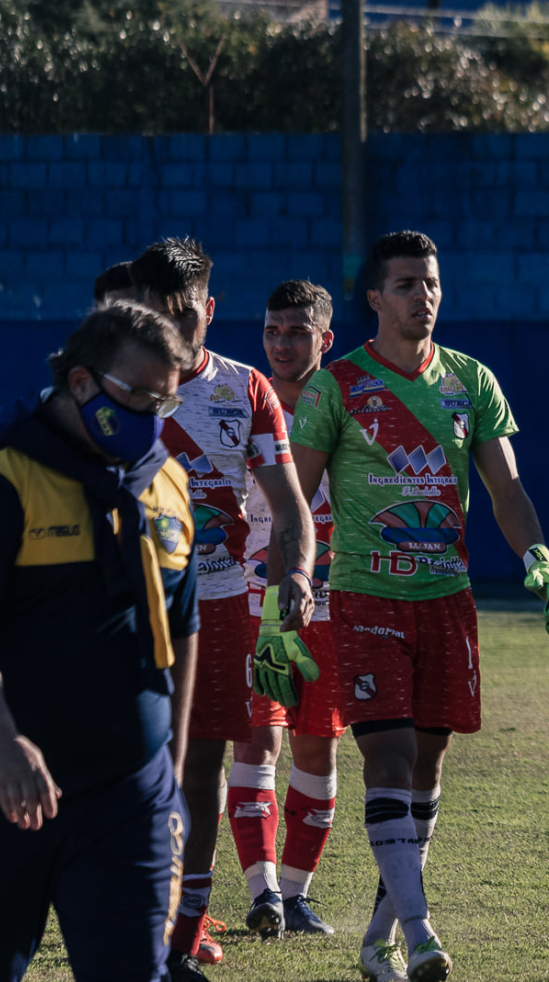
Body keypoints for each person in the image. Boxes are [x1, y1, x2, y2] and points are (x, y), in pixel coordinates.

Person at [288, 230, 549, 982]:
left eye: (433, 283)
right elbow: (296, 497)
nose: (426, 297)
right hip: (365, 597)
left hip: (447, 599)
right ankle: (420, 935)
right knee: (385, 756)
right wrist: (291, 578)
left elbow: (506, 490)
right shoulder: (337, 385)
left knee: (426, 766)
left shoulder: (471, 381)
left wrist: (538, 558)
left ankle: (378, 935)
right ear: (376, 299)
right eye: (409, 284)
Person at [0, 303, 196, 982]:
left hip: (127, 798)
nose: (152, 417)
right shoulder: (7, 474)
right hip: (5, 792)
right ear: (81, 382)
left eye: (164, 401)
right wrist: (4, 740)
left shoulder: (165, 482)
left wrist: (169, 767)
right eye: (139, 399)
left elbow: (185, 629)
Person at [129, 238, 315, 982]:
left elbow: (288, 503)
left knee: (202, 769)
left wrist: (297, 570)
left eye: (185, 316)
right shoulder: (105, 391)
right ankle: (121, 928)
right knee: (122, 778)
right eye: (152, 316)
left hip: (219, 611)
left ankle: (178, 944)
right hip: (120, 613)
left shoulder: (247, 392)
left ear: (211, 308)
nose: (170, 332)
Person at [238, 280, 343, 935]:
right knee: (260, 737)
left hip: (333, 609)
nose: (281, 343)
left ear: (326, 339)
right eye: (273, 331)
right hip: (264, 604)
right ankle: (264, 893)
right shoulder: (244, 402)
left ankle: (298, 896)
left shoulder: (353, 408)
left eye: (296, 332)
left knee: (318, 752)